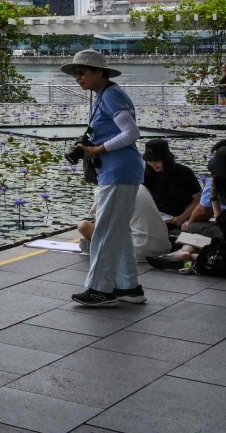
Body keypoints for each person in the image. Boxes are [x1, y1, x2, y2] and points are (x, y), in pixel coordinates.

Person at [62, 49, 145, 307]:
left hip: (118, 170)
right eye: (75, 74)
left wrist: (96, 150)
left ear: (100, 72)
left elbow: (131, 133)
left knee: (105, 232)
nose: (78, 78)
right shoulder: (105, 95)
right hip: (117, 170)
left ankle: (100, 290)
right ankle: (129, 287)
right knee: (117, 230)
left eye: (83, 72)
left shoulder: (111, 96)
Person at [148, 146, 226, 277]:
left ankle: (187, 256)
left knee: (194, 227)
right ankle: (184, 253)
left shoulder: (218, 183)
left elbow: (209, 215)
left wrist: (214, 198)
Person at [76, 186, 170, 262]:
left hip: (135, 251)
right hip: (164, 248)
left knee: (83, 225)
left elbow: (101, 226)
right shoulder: (141, 187)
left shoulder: (104, 188)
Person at [142, 139, 201, 226]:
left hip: (181, 217)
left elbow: (198, 199)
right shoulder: (147, 173)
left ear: (166, 159)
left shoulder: (184, 173)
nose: (153, 165)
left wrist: (181, 218)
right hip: (157, 216)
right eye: (150, 161)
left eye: (157, 161)